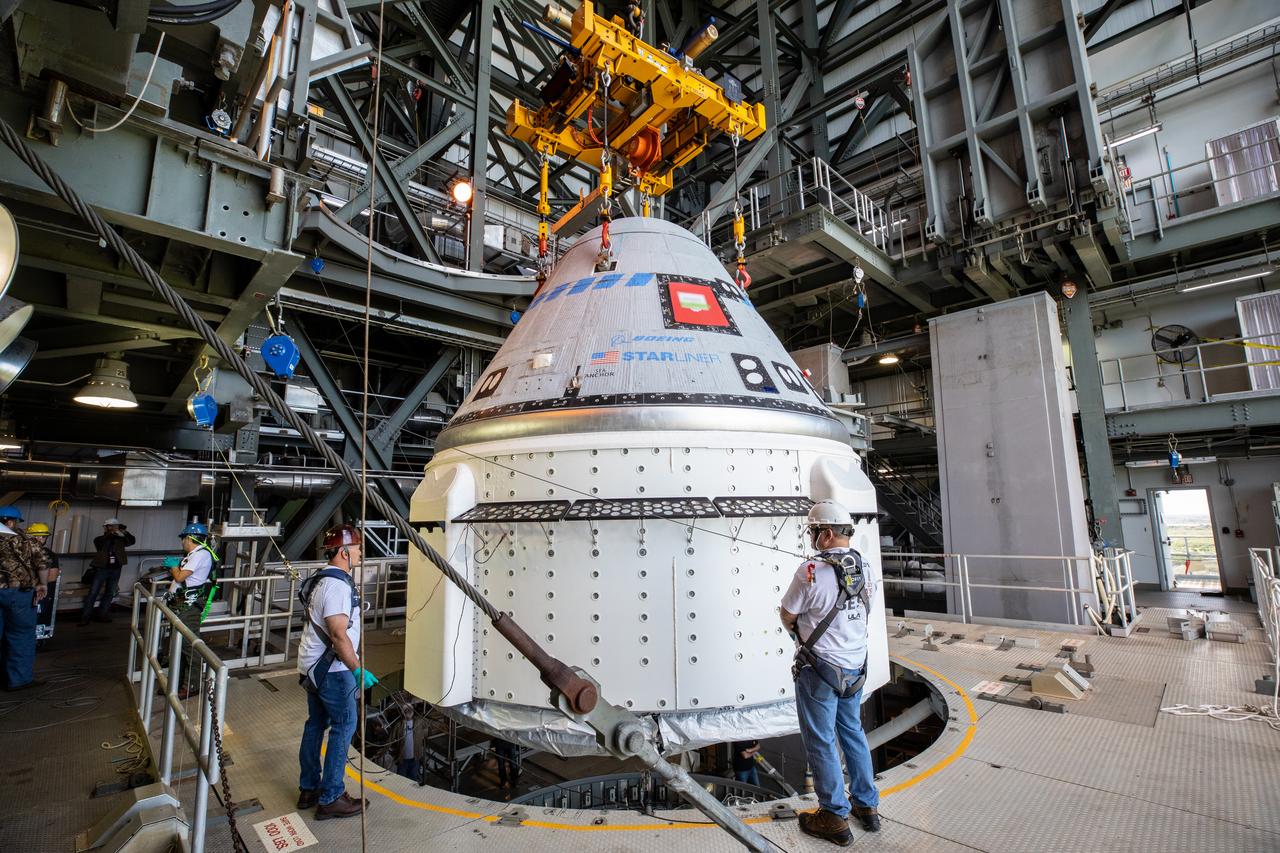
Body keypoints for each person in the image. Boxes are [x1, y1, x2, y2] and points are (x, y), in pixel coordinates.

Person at [780, 499, 880, 846]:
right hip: (855, 668)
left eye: (813, 531)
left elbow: (787, 613)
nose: (811, 538)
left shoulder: (810, 572)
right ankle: (867, 807)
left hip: (820, 671)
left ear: (825, 533)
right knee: (852, 732)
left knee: (821, 741)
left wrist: (799, 635)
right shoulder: (865, 566)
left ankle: (834, 816)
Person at [297, 523, 377, 820]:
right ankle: (330, 797)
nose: (359, 553)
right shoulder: (339, 586)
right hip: (332, 670)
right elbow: (338, 634)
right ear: (344, 552)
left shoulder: (321, 580)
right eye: (356, 548)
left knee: (316, 725)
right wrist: (357, 670)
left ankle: (309, 788)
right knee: (344, 726)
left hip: (313, 667)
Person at [0, 506, 50, 691]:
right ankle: (18, 679)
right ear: (11, 521)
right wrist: (42, 584)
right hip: (18, 593)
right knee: (20, 635)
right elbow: (42, 562)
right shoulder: (24, 540)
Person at [166, 522, 218, 698]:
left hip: (190, 604)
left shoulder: (200, 555)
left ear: (190, 538)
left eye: (183, 538)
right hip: (182, 603)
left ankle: (192, 685)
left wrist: (173, 566)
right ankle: (177, 683)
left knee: (189, 645)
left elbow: (180, 576)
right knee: (178, 644)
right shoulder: (194, 554)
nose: (182, 542)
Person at [80, 517, 136, 625]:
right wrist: (112, 532)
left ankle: (102, 614)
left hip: (116, 568)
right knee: (93, 592)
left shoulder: (121, 540)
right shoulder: (100, 539)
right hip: (102, 568)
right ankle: (85, 617)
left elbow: (132, 541)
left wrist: (124, 532)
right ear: (106, 528)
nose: (112, 528)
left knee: (110, 592)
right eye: (110, 526)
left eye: (114, 526)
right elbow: (102, 543)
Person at [26, 523, 59, 641]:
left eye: (43, 537)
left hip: (38, 593)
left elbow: (52, 577)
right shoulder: (22, 553)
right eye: (37, 536)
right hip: (24, 592)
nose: (40, 539)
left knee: (37, 617)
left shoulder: (50, 555)